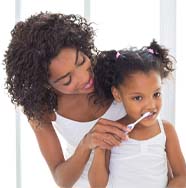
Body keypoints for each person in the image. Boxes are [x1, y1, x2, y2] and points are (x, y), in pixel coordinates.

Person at [4, 12, 130, 188]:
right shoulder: (43, 110)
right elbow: (62, 179)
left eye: (81, 61)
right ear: (46, 85)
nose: (84, 78)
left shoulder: (113, 71)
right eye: (67, 80)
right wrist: (86, 143)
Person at [88, 40, 186, 188]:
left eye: (156, 94)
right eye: (138, 98)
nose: (151, 105)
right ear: (117, 94)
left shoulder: (166, 130)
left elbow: (182, 177)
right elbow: (97, 185)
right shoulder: (112, 132)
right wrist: (100, 149)